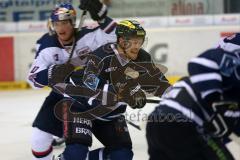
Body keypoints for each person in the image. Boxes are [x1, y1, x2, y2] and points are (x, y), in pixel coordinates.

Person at [52, 19, 171, 160]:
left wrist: (179, 97)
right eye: (132, 41)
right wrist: (126, 93)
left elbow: (158, 83)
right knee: (76, 153)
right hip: (79, 105)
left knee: (122, 155)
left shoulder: (142, 58)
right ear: (120, 41)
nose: (136, 46)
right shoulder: (99, 56)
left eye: (139, 41)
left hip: (110, 113)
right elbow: (92, 97)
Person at [27, 0, 117, 159]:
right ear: (52, 25)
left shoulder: (89, 35)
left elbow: (117, 36)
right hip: (61, 96)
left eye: (65, 23)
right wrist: (52, 73)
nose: (61, 28)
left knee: (86, 149)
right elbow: (33, 80)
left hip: (91, 96)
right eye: (57, 23)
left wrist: (102, 17)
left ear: (73, 23)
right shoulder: (47, 45)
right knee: (38, 140)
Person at [146, 34, 240, 160]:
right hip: (183, 124)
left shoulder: (210, 79)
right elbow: (199, 62)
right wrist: (214, 100)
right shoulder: (229, 69)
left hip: (157, 122)